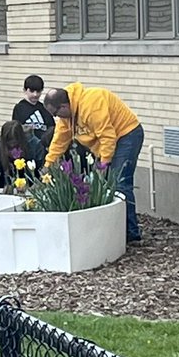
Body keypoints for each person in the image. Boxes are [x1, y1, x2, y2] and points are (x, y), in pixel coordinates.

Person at [42, 84, 144, 244]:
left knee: (120, 183)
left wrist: (104, 165)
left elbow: (107, 136)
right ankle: (115, 229)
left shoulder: (91, 103)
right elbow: (60, 141)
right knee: (105, 186)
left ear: (64, 106)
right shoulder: (66, 118)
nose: (57, 118)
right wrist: (48, 165)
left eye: (56, 113)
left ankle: (131, 235)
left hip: (126, 134)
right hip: (107, 143)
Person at [11, 75, 55, 149]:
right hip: (27, 148)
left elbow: (52, 128)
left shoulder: (44, 108)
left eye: (38, 91)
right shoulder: (19, 108)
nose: (35, 94)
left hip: (43, 148)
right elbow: (16, 130)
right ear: (25, 90)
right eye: (32, 91)